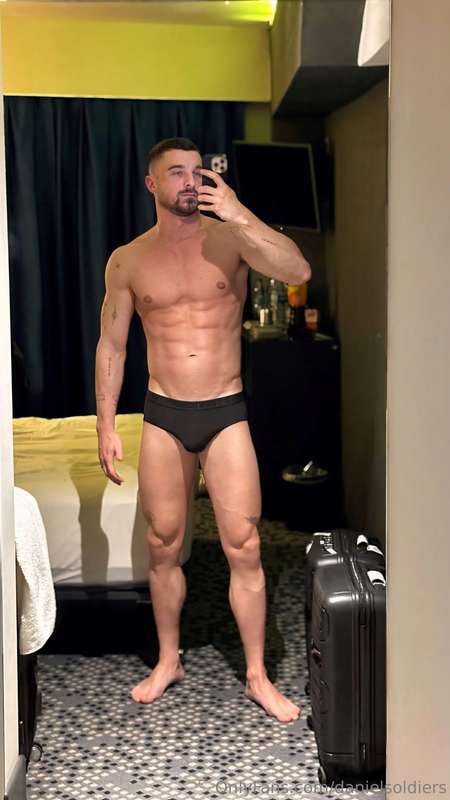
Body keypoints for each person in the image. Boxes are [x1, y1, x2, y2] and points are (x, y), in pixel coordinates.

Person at [95, 137, 311, 723]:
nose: (190, 181)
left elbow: (298, 269)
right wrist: (106, 423)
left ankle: (258, 675)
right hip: (164, 414)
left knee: (246, 545)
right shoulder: (128, 259)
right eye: (176, 172)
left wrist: (238, 212)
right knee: (163, 544)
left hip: (224, 409)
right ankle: (168, 660)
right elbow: (112, 345)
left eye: (196, 171)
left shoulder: (231, 239)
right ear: (152, 184)